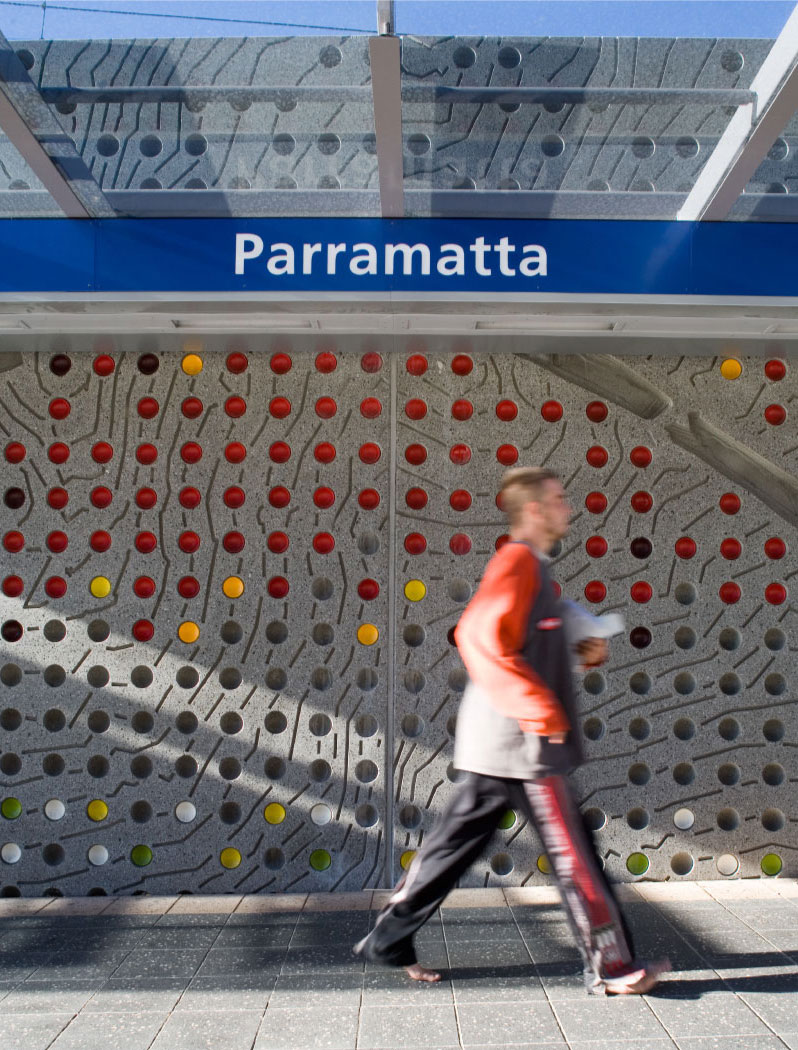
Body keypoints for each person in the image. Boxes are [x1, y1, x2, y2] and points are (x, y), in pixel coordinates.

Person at [354, 466, 669, 995]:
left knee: (449, 851)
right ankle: (612, 967)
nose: (568, 507)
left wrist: (582, 641)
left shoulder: (535, 570)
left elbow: (535, 629)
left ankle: (387, 940)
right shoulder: (518, 561)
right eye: (560, 498)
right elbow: (476, 634)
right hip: (522, 744)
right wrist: (538, 710)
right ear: (534, 510)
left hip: (499, 742)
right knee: (574, 857)